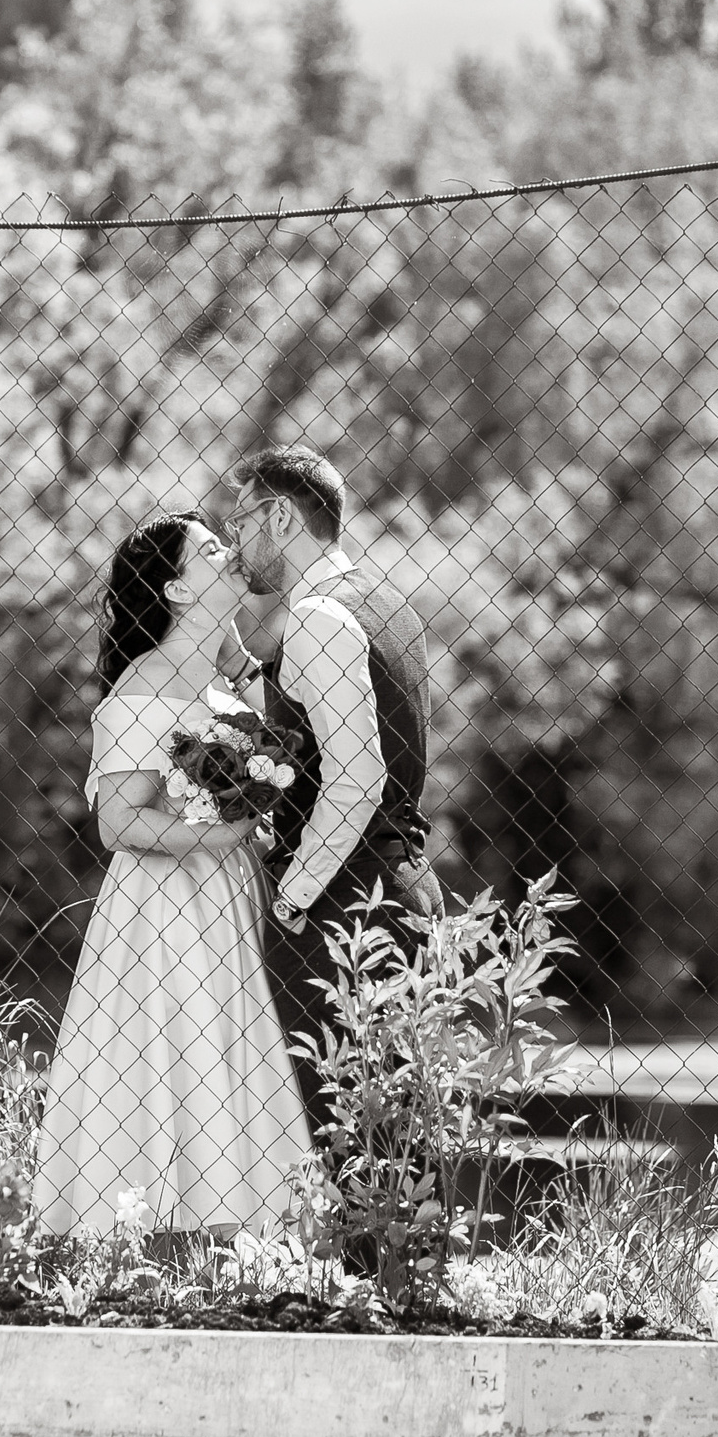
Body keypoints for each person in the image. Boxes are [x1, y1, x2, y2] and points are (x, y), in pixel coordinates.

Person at [35, 511, 316, 1240]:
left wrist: (235, 665)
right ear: (176, 589)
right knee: (170, 1045)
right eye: (210, 549)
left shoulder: (221, 677)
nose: (229, 552)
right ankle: (152, 1224)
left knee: (223, 1045)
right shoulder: (144, 684)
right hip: (164, 904)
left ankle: (231, 1230)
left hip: (221, 891)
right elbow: (119, 823)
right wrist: (215, 832)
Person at [225, 445, 443, 1151]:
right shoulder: (386, 604)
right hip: (405, 884)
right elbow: (330, 730)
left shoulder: (316, 616)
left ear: (282, 516)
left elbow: (354, 777)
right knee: (398, 1146)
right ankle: (396, 1266)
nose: (235, 543)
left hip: (342, 906)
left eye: (242, 521)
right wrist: (242, 676)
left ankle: (360, 1268)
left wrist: (291, 896)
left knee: (340, 1136)